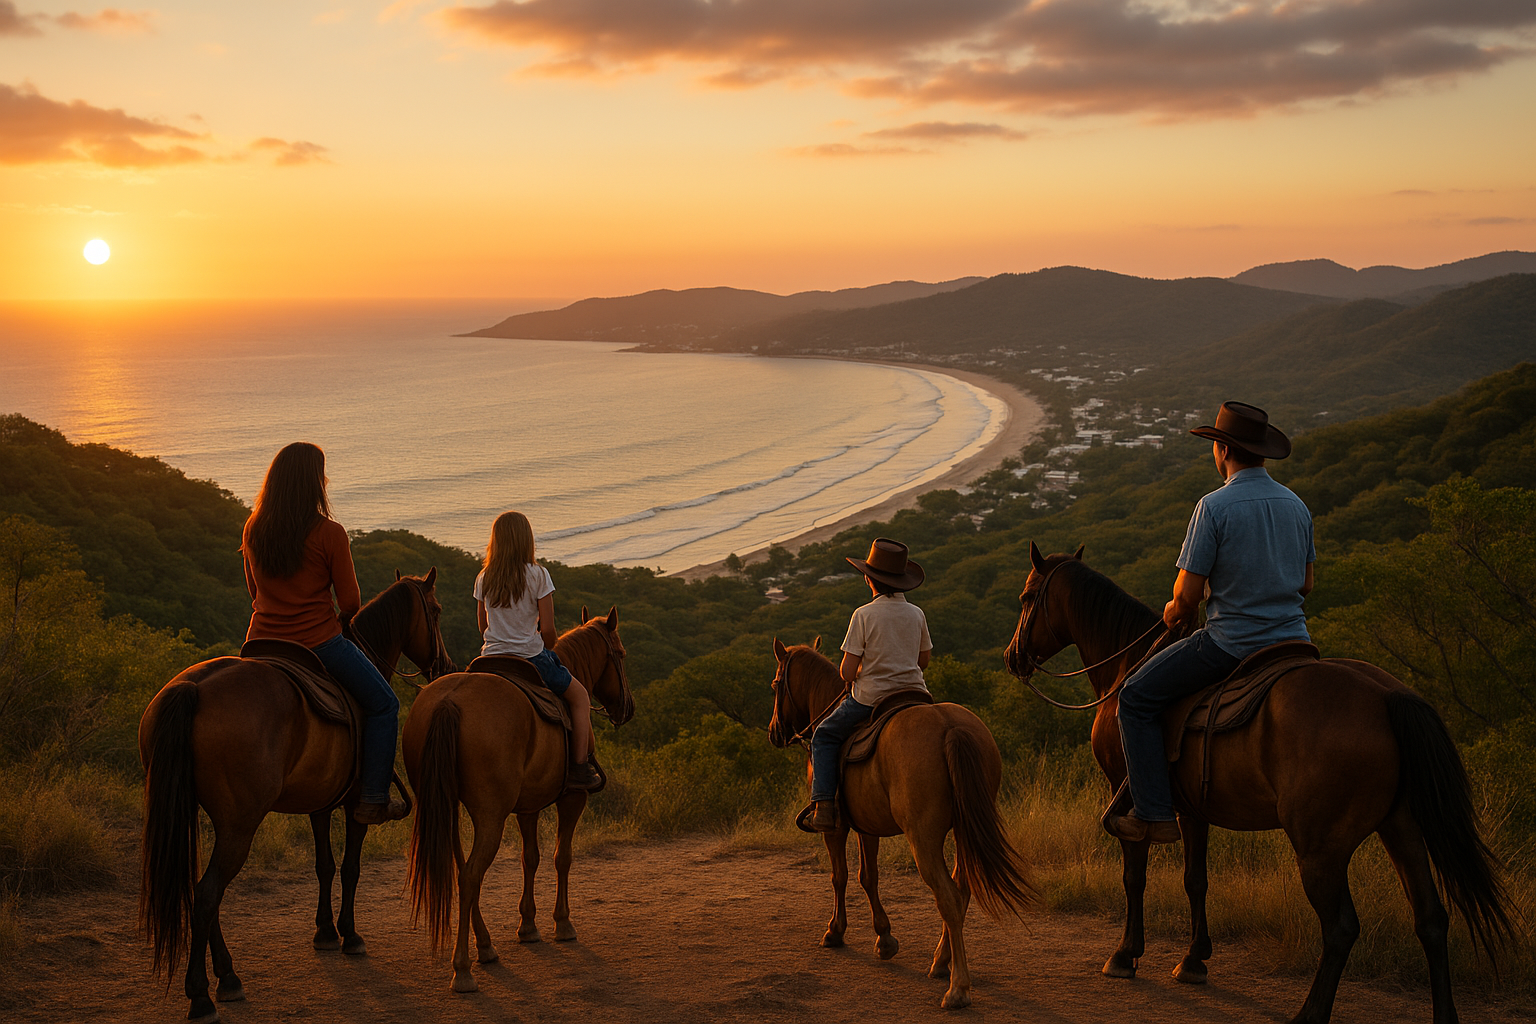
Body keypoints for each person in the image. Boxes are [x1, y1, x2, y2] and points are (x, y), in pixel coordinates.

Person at [1108, 402, 1315, 845]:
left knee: (1135, 697)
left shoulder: (1214, 507)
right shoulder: (1296, 505)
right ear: (1262, 453)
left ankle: (1154, 814)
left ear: (1222, 450)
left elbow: (1185, 601)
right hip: (1296, 641)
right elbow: (1306, 584)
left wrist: (1172, 612)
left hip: (1233, 644)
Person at [242, 442, 406, 826]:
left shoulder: (253, 527)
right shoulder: (329, 532)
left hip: (259, 644)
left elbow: (254, 592)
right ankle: (373, 798)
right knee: (385, 705)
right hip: (318, 644)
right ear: (315, 482)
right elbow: (350, 602)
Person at [805, 537, 933, 834]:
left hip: (872, 699)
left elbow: (847, 673)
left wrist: (867, 666)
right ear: (902, 581)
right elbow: (923, 661)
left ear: (869, 579)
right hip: (915, 694)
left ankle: (823, 806)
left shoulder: (863, 615)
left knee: (823, 736)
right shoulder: (917, 613)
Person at [474, 510, 601, 791]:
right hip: (530, 658)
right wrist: (545, 646)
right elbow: (549, 632)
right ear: (526, 540)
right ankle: (579, 768)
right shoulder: (538, 575)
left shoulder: (484, 577)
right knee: (580, 697)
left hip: (490, 658)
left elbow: (483, 625)